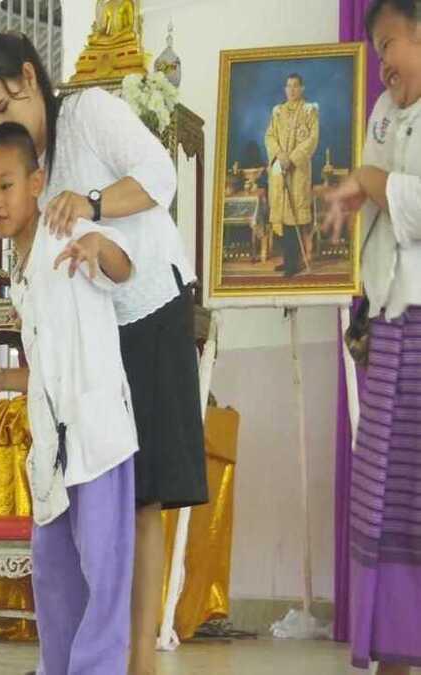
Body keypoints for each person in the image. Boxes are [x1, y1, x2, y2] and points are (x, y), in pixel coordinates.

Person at [0, 33, 207, 675]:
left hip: (148, 304)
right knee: (93, 518)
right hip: (96, 330)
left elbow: (161, 177)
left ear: (29, 78)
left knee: (146, 493)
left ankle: (139, 661)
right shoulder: (27, 168)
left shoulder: (88, 112)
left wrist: (93, 203)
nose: (0, 123)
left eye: (3, 107)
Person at [0, 122, 139, 674]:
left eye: (5, 185)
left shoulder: (66, 229)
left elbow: (124, 267)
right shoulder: (20, 276)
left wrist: (99, 245)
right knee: (54, 575)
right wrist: (0, 380)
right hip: (53, 450)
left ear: (36, 183)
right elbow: (45, 370)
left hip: (97, 437)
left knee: (103, 574)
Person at [324, 1, 421, 673]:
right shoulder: (384, 113)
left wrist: (373, 182)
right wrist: (358, 191)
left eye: (391, 43)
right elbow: (375, 189)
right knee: (382, 495)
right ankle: (392, 650)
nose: (383, 61)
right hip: (390, 318)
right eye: (378, 49)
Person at [265, 72, 320, 276]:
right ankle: (287, 260)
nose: (292, 90)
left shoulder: (309, 111)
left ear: (302, 88)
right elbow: (269, 136)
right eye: (288, 86)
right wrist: (279, 154)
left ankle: (293, 263)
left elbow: (312, 139)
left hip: (298, 171)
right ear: (285, 89)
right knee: (281, 217)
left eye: (295, 86)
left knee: (294, 217)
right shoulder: (278, 112)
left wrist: (293, 158)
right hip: (280, 169)